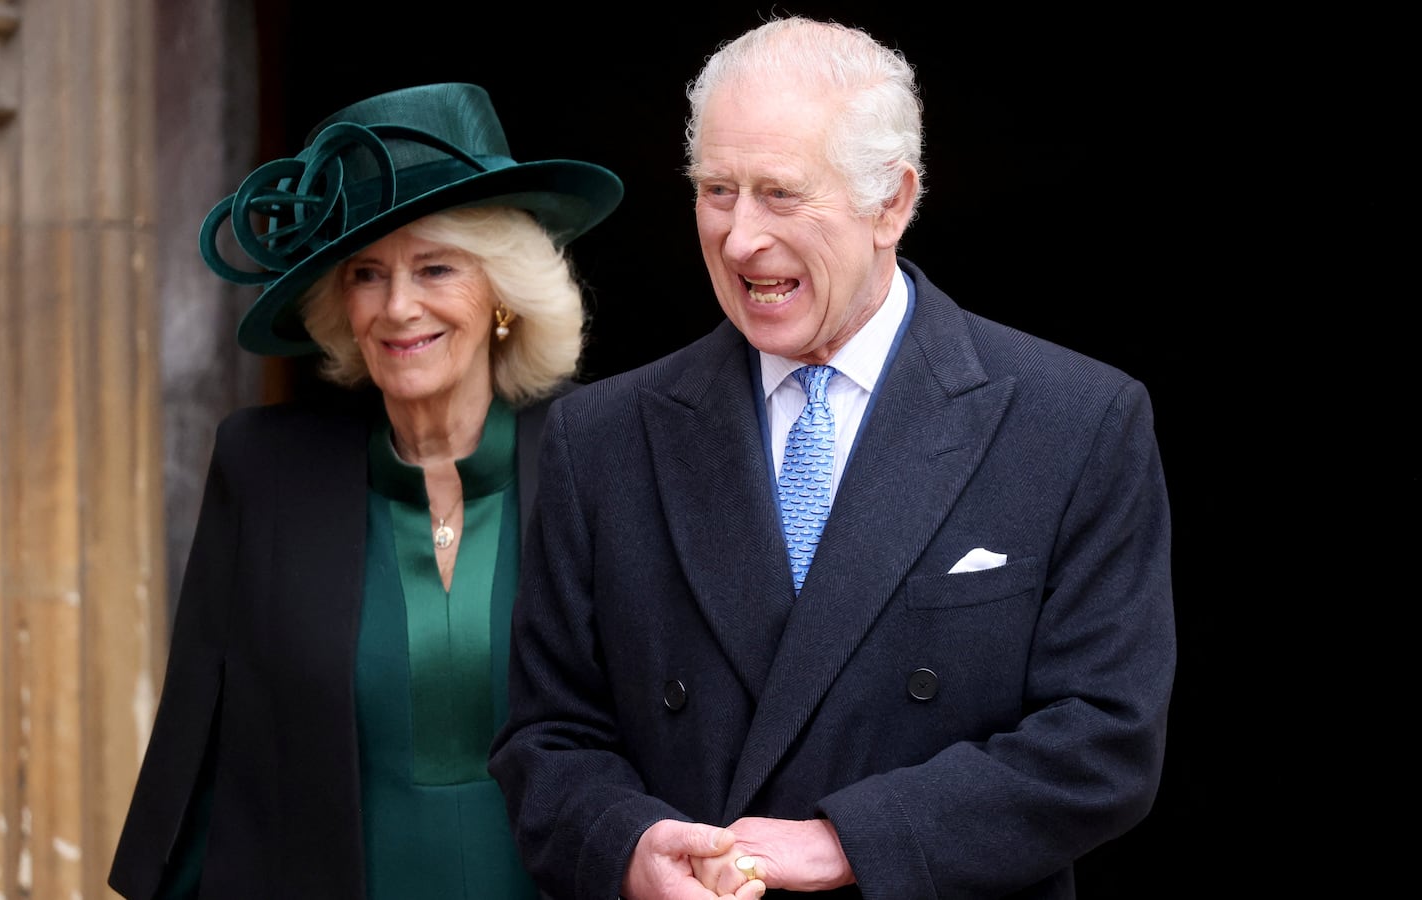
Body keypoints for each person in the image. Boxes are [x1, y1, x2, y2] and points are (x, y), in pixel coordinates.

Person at [488, 15, 1175, 900]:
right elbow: (546, 741)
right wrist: (632, 847)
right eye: (716, 190)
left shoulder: (1076, 421)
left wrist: (848, 841)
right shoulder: (601, 438)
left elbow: (1104, 742)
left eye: (780, 194)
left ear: (892, 201)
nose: (738, 239)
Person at [107, 82, 623, 899]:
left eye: (436, 267)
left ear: (500, 294)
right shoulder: (264, 473)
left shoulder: (606, 457)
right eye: (367, 274)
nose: (398, 307)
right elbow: (207, 755)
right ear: (339, 307)